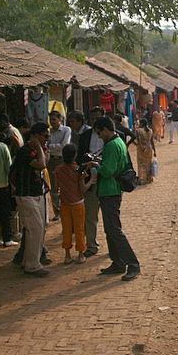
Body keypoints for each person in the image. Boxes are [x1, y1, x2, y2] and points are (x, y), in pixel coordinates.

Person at [92, 117, 141, 281]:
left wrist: (95, 165)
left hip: (110, 190)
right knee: (110, 229)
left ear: (106, 129)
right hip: (112, 190)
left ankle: (132, 264)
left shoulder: (111, 145)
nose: (99, 136)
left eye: (99, 133)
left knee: (114, 230)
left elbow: (108, 171)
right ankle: (118, 262)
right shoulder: (119, 141)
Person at [12, 123, 51, 277]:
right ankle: (32, 265)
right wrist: (40, 148)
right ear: (36, 136)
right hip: (26, 194)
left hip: (36, 193)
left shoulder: (36, 150)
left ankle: (28, 260)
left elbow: (45, 161)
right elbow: (41, 164)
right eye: (45, 136)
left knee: (38, 229)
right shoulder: (25, 151)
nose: (47, 139)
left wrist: (42, 148)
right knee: (35, 229)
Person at [55, 144, 94, 265]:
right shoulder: (78, 170)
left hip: (64, 203)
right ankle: (80, 254)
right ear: (75, 155)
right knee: (79, 229)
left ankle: (67, 255)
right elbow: (82, 189)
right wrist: (92, 179)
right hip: (77, 202)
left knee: (66, 229)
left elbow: (57, 186)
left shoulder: (58, 170)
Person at [76, 107, 104, 258]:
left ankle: (114, 245)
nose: (95, 121)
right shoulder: (85, 136)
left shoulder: (114, 137)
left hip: (107, 181)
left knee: (110, 216)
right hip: (90, 181)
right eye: (92, 119)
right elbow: (79, 158)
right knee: (90, 216)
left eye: (97, 118)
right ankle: (92, 245)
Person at [47, 110, 71, 220]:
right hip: (51, 161)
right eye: (51, 120)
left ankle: (66, 209)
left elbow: (64, 145)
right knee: (54, 187)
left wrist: (51, 147)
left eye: (54, 119)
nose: (52, 122)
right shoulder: (49, 131)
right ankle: (57, 212)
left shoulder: (66, 130)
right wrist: (55, 146)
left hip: (62, 160)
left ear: (60, 119)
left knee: (65, 186)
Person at [135, 118, 156, 185]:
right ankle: (149, 178)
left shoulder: (138, 131)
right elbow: (152, 141)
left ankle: (142, 180)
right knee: (148, 164)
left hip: (141, 149)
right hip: (149, 149)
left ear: (141, 124)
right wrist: (155, 151)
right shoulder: (150, 130)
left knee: (141, 165)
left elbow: (137, 141)